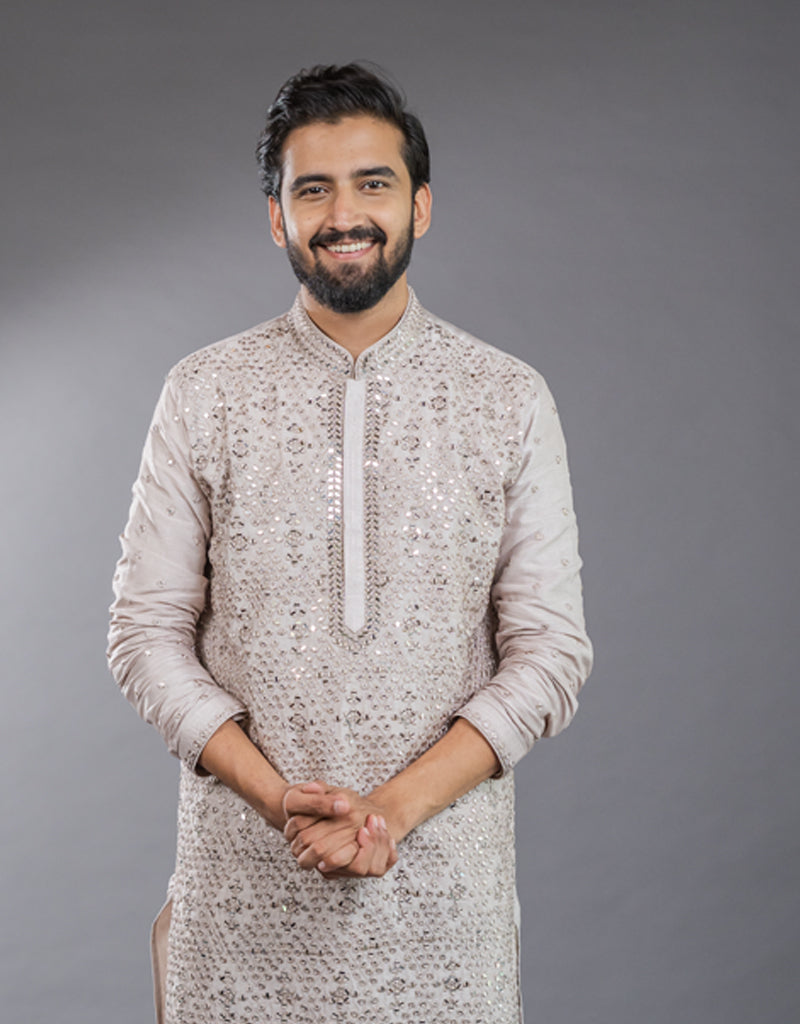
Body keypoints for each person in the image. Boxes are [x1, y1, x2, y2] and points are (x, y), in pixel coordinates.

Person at [108, 62, 592, 1024]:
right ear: (277, 217)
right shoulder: (205, 391)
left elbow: (550, 655)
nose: (344, 214)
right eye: (312, 189)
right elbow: (145, 636)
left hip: (444, 913)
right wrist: (276, 796)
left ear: (420, 204)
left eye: (373, 183)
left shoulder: (506, 397)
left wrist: (392, 810)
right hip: (241, 902)